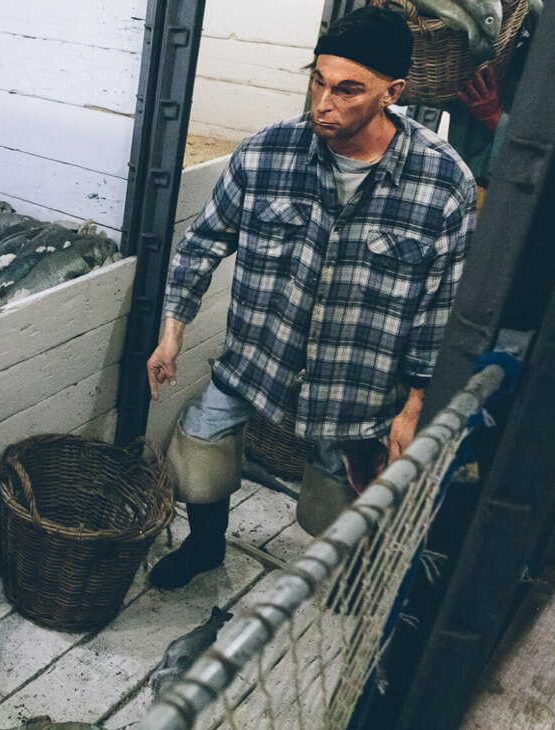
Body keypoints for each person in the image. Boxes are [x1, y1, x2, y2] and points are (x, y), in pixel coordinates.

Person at [145, 6, 477, 590]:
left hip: (357, 382)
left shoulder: (442, 181)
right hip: (259, 357)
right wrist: (172, 330)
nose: (324, 103)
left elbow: (439, 306)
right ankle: (204, 548)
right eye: (318, 81)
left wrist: (416, 402)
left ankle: (344, 577)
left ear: (391, 93)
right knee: (199, 445)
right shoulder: (266, 153)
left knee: (334, 498)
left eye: (348, 89)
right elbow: (201, 244)